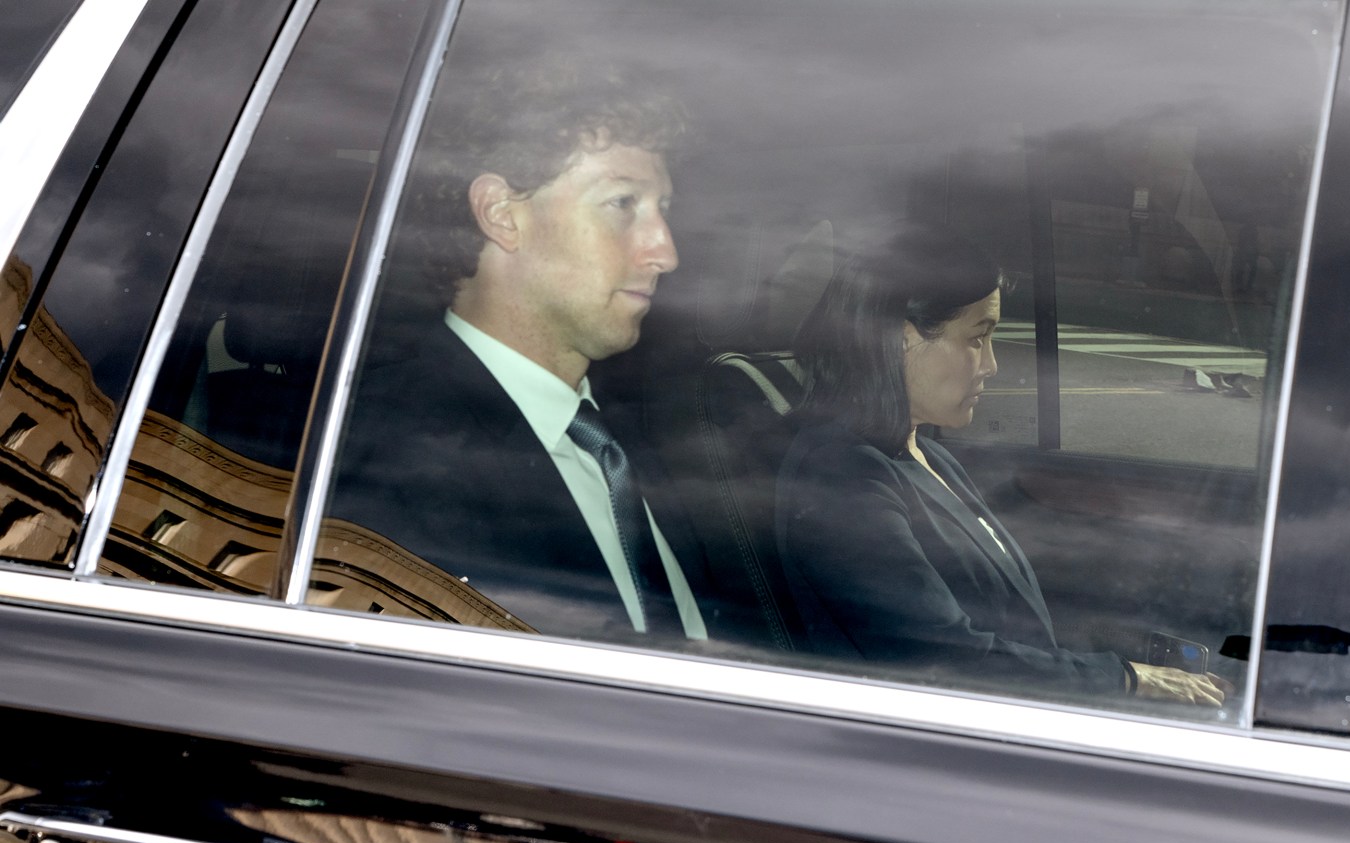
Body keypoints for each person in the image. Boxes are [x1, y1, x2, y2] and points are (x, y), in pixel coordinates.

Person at [328, 55, 709, 642]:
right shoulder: (388, 463)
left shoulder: (653, 443)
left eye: (664, 209)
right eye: (623, 203)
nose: (665, 251)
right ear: (502, 214)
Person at [775, 226, 1226, 703]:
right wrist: (1125, 679)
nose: (991, 365)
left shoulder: (927, 458)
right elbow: (944, 657)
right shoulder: (842, 480)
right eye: (977, 339)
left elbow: (1008, 616)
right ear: (902, 340)